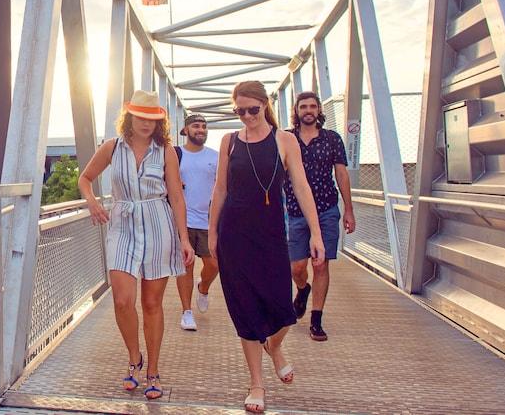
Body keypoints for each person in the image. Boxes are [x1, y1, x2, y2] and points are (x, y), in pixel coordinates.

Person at [208, 81, 325, 414]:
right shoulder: (229, 141)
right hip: (235, 234)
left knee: (282, 308)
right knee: (245, 309)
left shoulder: (284, 140)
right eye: (239, 111)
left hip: (272, 234)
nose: (246, 116)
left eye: (252, 110)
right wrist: (213, 232)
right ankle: (256, 382)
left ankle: (274, 348)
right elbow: (220, 190)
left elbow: (301, 187)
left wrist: (316, 234)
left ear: (265, 105)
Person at [78, 90, 195, 401]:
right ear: (129, 116)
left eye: (153, 118)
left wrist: (184, 239)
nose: (147, 123)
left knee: (152, 304)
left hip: (158, 222)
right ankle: (134, 357)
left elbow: (177, 197)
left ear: (160, 121)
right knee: (122, 301)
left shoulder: (166, 150)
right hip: (123, 222)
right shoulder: (112, 148)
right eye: (141, 117)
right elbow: (85, 178)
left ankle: (153, 370)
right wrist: (91, 202)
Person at [284, 91, 356, 342]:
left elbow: (342, 174)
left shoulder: (332, 139)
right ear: (297, 110)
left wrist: (348, 209)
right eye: (304, 106)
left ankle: (316, 319)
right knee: (297, 267)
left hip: (326, 208)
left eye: (313, 106)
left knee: (320, 263)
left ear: (318, 111)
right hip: (295, 211)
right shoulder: (285, 138)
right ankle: (302, 289)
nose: (309, 110)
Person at [174, 114, 219, 331]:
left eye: (204, 126)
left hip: (208, 221)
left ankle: (203, 288)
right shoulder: (176, 154)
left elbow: (224, 187)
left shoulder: (215, 157)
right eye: (195, 126)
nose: (200, 129)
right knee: (186, 266)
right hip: (183, 220)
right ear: (185, 130)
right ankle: (186, 312)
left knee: (214, 264)